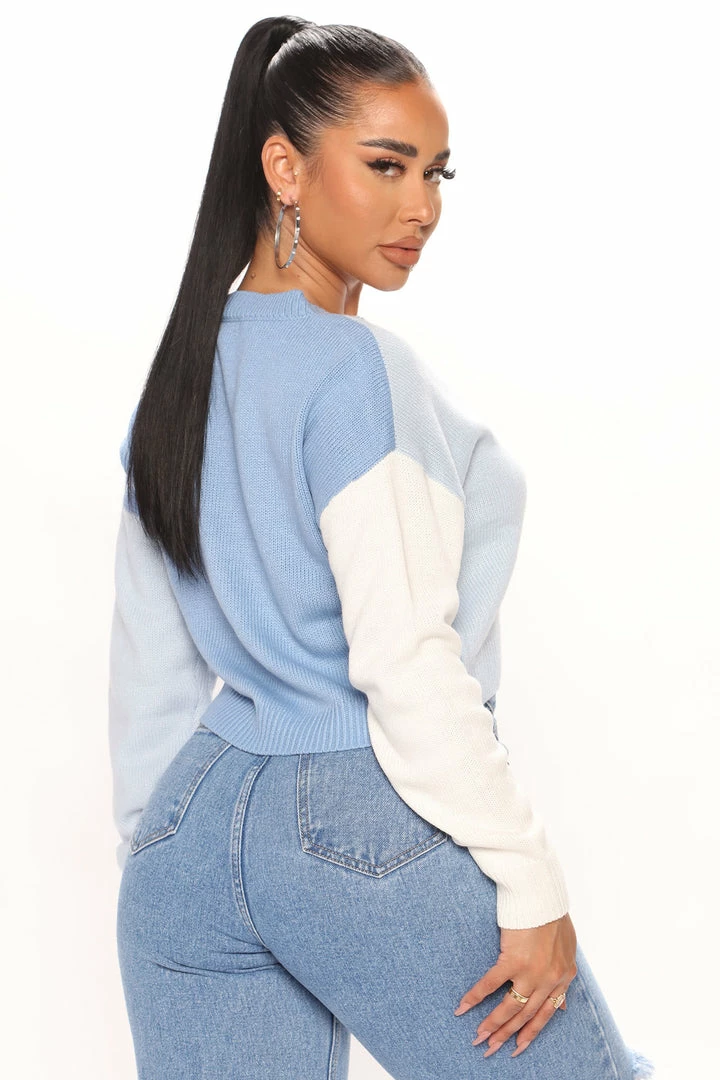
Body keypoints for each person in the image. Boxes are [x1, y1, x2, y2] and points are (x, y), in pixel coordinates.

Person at [109, 15, 654, 1080]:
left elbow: (150, 668)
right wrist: (529, 879)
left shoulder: (176, 377)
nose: (423, 208)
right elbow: (404, 659)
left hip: (185, 838)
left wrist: (154, 847)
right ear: (285, 168)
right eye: (388, 166)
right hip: (359, 815)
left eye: (437, 174)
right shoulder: (354, 369)